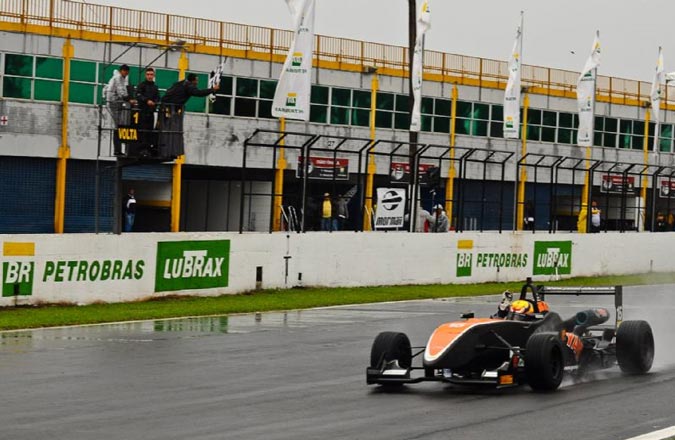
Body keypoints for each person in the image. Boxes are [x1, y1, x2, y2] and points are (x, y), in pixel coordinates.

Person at [158, 73, 220, 158]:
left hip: (164, 107)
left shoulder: (180, 83)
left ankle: (162, 147)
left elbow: (169, 91)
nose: (197, 82)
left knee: (163, 128)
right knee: (171, 129)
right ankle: (168, 150)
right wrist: (212, 89)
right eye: (196, 80)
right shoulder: (189, 86)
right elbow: (199, 93)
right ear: (193, 80)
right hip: (171, 109)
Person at [105, 64, 136, 154]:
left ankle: (119, 149)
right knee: (118, 126)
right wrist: (130, 100)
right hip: (114, 103)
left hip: (116, 103)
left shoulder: (121, 78)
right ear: (122, 71)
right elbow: (121, 92)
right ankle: (117, 150)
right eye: (125, 71)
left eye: (127, 71)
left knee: (119, 126)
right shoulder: (118, 78)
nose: (126, 73)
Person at [135, 67, 160, 156]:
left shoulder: (155, 87)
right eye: (148, 74)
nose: (150, 76)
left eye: (151, 75)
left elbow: (158, 97)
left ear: (154, 76)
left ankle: (148, 149)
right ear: (146, 75)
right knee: (142, 131)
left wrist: (155, 103)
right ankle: (141, 150)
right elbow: (138, 95)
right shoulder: (141, 85)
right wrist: (146, 101)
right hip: (142, 111)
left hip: (151, 112)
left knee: (150, 131)